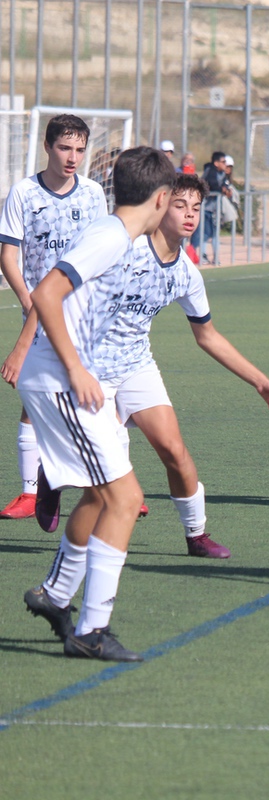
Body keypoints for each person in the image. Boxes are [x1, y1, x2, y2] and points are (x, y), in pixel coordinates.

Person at [19, 146, 177, 661]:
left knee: (101, 495)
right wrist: (76, 369)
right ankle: (91, 631)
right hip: (59, 383)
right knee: (124, 499)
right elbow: (46, 293)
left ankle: (55, 594)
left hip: (70, 383)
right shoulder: (110, 238)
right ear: (161, 199)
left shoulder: (117, 236)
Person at [86, 173, 269, 559]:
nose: (190, 215)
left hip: (135, 364)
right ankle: (58, 491)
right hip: (89, 369)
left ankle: (196, 535)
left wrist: (260, 382)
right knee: (109, 473)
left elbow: (208, 336)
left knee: (174, 451)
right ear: (161, 204)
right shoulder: (124, 248)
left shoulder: (186, 273)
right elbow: (62, 289)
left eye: (196, 207)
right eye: (180, 205)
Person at [0, 114, 108, 520]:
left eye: (80, 149)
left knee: (102, 394)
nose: (72, 157)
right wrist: (30, 303)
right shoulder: (24, 193)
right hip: (39, 313)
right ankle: (30, 492)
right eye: (65, 147)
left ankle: (113, 485)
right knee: (35, 396)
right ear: (47, 147)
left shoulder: (93, 193)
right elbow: (8, 256)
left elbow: (102, 252)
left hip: (86, 312)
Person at [192, 151, 231, 264]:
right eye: (223, 162)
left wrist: (226, 189)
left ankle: (215, 257)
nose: (225, 164)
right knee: (205, 233)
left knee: (214, 233)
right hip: (205, 208)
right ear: (216, 163)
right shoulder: (210, 171)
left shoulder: (222, 173)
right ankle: (202, 255)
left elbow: (225, 184)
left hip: (214, 209)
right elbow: (212, 185)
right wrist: (222, 190)